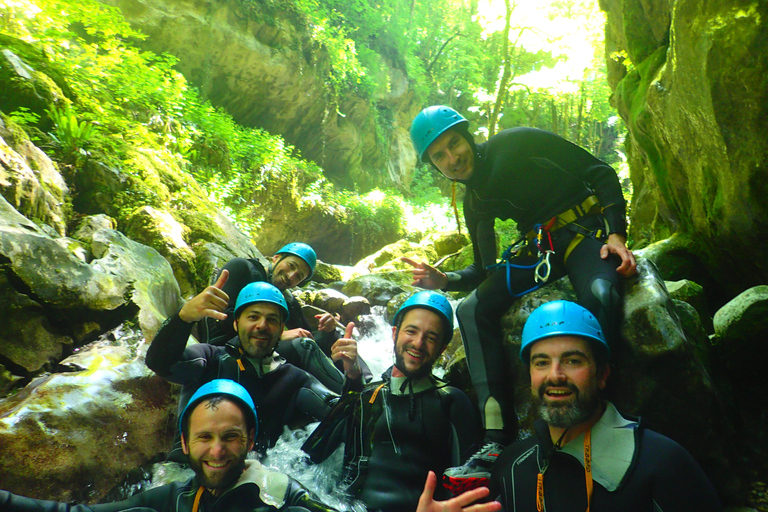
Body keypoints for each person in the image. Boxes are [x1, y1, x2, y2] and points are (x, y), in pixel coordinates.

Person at [404, 105, 638, 488]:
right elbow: (482, 271)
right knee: (473, 307)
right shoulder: (475, 202)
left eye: (454, 143)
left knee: (600, 293)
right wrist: (444, 280)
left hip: (583, 232)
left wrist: (616, 235)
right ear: (435, 165)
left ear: (467, 136)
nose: (452, 157)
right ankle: (497, 438)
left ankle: (597, 417)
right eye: (440, 156)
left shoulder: (516, 143)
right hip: (541, 249)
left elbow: (599, 171)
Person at [485, 300, 722, 511]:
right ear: (530, 377)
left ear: (602, 375)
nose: (555, 375)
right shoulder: (512, 466)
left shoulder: (662, 462)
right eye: (542, 362)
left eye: (573, 361)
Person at [0, 379, 338, 511]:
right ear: (185, 444)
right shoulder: (175, 498)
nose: (217, 451)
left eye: (230, 437)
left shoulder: (285, 498)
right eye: (204, 437)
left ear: (250, 440)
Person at [301, 291, 483, 512]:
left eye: (431, 337)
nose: (418, 343)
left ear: (443, 349)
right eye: (411, 331)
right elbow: (311, 455)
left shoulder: (452, 401)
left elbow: (468, 488)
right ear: (395, 334)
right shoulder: (366, 395)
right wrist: (352, 380)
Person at [146, 280, 350, 458]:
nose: (262, 325)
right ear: (236, 324)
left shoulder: (295, 378)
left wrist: (354, 376)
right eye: (253, 317)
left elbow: (345, 416)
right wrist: (183, 318)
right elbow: (161, 363)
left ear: (281, 330)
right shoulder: (211, 359)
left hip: (256, 484)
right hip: (188, 478)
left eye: (272, 320)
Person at [197, 243, 367, 392]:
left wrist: (328, 330)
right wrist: (278, 335)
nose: (291, 276)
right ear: (275, 258)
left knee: (336, 339)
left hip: (262, 347)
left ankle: (366, 381)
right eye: (291, 266)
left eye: (299, 276)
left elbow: (308, 334)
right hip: (228, 348)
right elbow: (221, 317)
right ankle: (352, 396)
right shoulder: (243, 268)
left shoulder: (287, 299)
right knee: (305, 346)